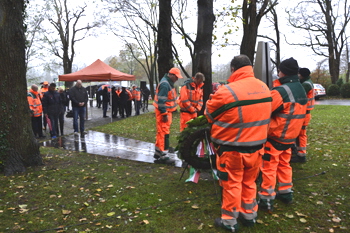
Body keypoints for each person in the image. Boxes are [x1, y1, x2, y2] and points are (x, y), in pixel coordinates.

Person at [205, 55, 272, 231]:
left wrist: (212, 99)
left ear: (233, 69)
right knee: (250, 182)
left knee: (232, 184)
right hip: (257, 148)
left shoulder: (227, 91)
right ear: (250, 67)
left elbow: (209, 115)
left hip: (232, 149)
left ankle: (229, 221)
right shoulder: (265, 88)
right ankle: (249, 216)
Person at [258, 58, 308, 211]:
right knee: (285, 165)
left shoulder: (281, 91)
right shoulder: (300, 89)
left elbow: (264, 111)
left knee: (269, 167)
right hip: (290, 137)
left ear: (283, 71)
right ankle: (286, 193)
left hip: (275, 136)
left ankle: (266, 200)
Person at [178, 72, 205, 183]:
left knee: (192, 135)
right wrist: (192, 109)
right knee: (185, 134)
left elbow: (201, 100)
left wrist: (197, 109)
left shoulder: (200, 87)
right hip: (186, 114)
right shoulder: (186, 86)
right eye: (200, 81)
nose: (201, 83)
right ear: (196, 79)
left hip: (194, 114)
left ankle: (190, 154)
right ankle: (183, 155)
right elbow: (184, 100)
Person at [153, 67, 183, 164]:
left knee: (161, 132)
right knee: (164, 133)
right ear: (172, 75)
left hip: (165, 111)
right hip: (164, 112)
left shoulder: (167, 83)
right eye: (176, 77)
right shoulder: (166, 84)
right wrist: (164, 114)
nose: (177, 79)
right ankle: (164, 155)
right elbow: (161, 101)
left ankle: (158, 152)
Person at [290, 68, 314, 163]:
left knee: (301, 134)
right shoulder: (307, 82)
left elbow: (297, 95)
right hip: (304, 113)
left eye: (298, 74)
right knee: (300, 134)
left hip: (304, 113)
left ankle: (301, 155)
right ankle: (299, 152)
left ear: (301, 75)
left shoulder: (305, 85)